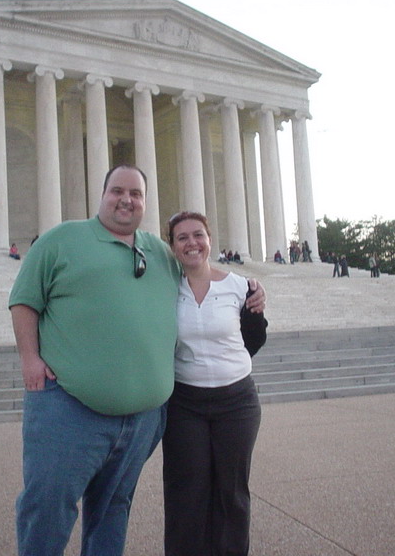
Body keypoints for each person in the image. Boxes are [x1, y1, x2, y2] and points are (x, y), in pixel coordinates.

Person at [8, 164, 268, 556]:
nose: (126, 200)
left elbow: (204, 278)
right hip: (69, 409)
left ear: (145, 202)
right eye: (117, 191)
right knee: (48, 507)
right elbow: (24, 298)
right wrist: (30, 358)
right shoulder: (61, 240)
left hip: (142, 420)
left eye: (136, 194)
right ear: (103, 194)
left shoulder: (159, 253)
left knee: (113, 508)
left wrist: (252, 294)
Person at [163, 211, 262, 556]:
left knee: (232, 491)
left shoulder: (241, 286)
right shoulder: (164, 289)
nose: (192, 243)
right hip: (185, 403)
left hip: (236, 401)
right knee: (185, 491)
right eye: (182, 237)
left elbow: (253, 340)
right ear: (172, 246)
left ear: (209, 240)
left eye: (198, 235)